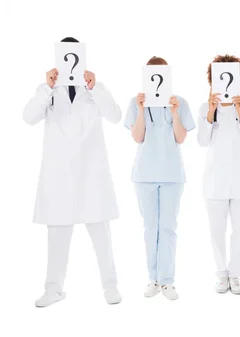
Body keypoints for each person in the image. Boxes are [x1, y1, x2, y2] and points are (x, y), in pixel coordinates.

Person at [23, 37, 122, 307]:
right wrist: (47, 87)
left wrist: (95, 89)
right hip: (59, 174)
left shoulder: (95, 87)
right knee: (57, 233)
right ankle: (53, 289)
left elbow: (115, 115)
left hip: (91, 171)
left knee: (100, 231)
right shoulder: (48, 89)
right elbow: (29, 117)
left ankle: (110, 285)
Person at [124, 56, 195, 301]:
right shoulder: (136, 103)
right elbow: (137, 137)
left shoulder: (180, 102)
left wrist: (175, 113)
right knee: (149, 227)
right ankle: (153, 278)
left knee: (168, 227)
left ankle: (167, 281)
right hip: (144, 174)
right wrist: (142, 110)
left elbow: (181, 138)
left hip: (172, 174)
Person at [198, 55, 240, 295]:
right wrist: (211, 112)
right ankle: (221, 273)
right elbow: (202, 141)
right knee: (216, 230)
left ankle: (235, 273)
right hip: (215, 180)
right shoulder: (205, 107)